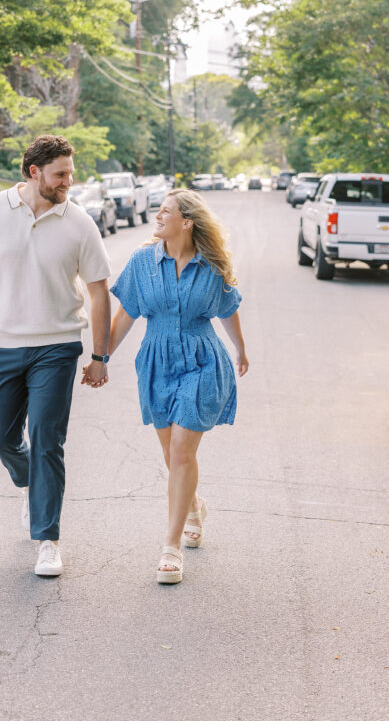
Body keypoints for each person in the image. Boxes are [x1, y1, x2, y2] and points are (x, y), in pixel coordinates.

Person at [0, 134, 111, 578]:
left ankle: (48, 540)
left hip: (57, 346)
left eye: (71, 174)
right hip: (1, 344)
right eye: (60, 175)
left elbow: (99, 292)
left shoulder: (79, 222)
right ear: (32, 172)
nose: (68, 182)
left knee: (47, 440)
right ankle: (29, 483)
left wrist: (101, 355)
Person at [107, 189, 248, 584]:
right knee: (173, 455)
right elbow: (125, 316)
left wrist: (240, 349)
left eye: (165, 211)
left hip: (203, 362)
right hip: (156, 360)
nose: (157, 216)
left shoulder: (212, 265)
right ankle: (193, 506)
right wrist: (101, 358)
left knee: (184, 451)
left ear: (186, 222)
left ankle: (170, 548)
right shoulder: (142, 262)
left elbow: (229, 308)